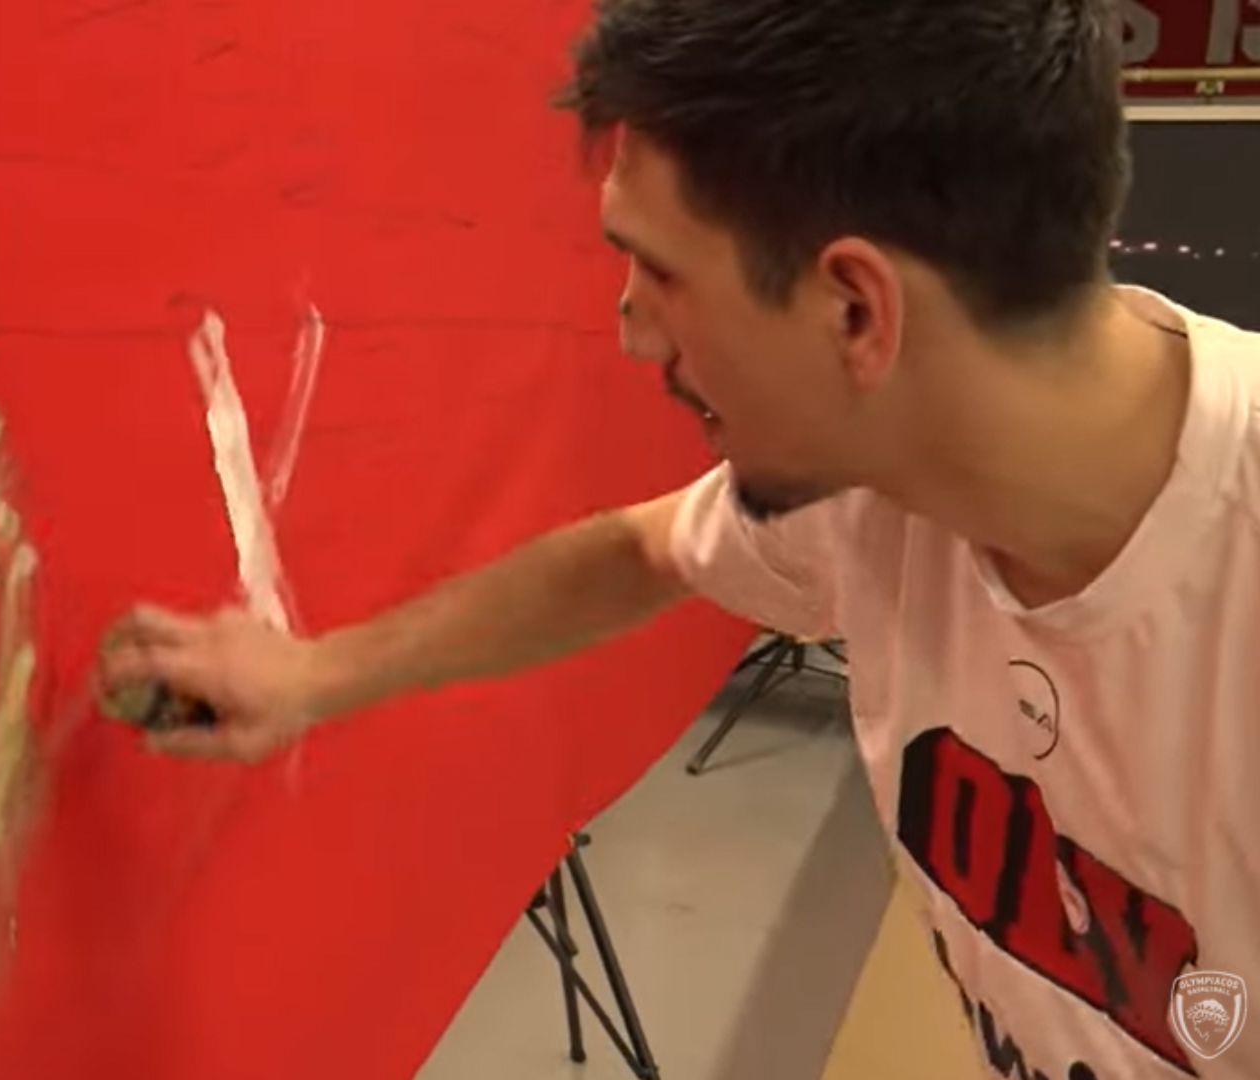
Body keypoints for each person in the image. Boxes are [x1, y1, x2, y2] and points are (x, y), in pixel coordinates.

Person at [97, 1, 1260, 1075]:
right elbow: (639, 552)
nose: (633, 333)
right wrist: (311, 677)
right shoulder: (885, 475)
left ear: (856, 311)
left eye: (659, 272)